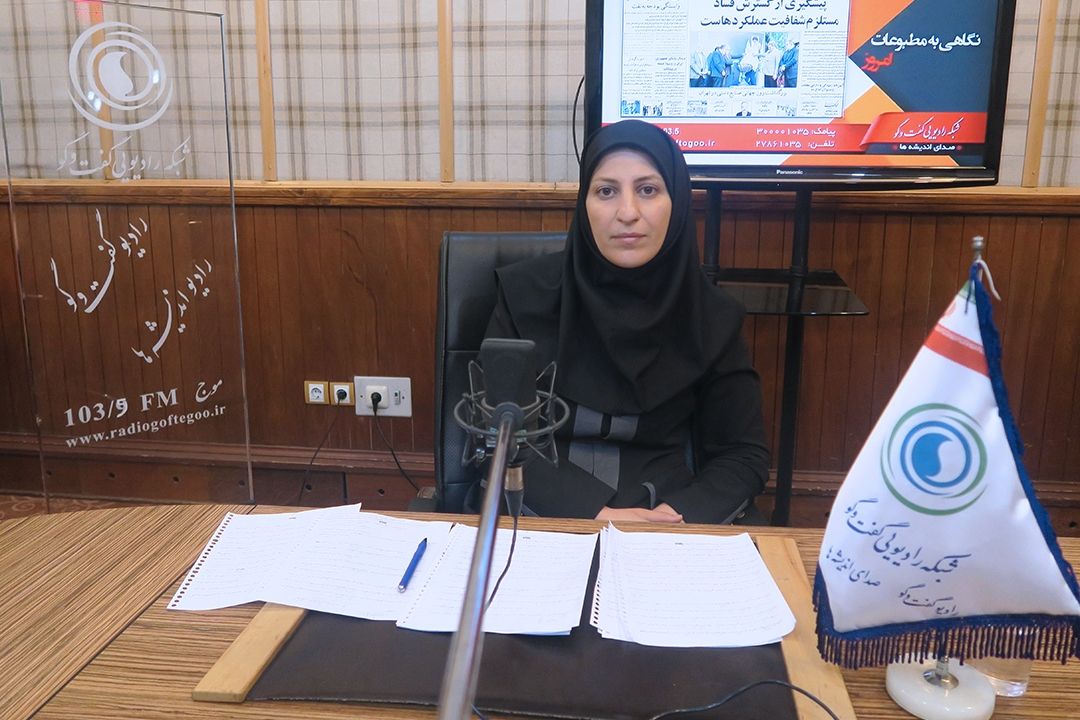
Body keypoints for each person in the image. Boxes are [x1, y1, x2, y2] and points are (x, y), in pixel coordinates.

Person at [482, 120, 770, 524]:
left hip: (666, 520)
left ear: (677, 202)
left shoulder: (713, 317)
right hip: (544, 514)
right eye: (606, 191)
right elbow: (496, 439)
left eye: (648, 190)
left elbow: (741, 455)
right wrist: (595, 514)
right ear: (584, 203)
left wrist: (674, 518)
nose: (628, 213)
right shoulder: (524, 297)